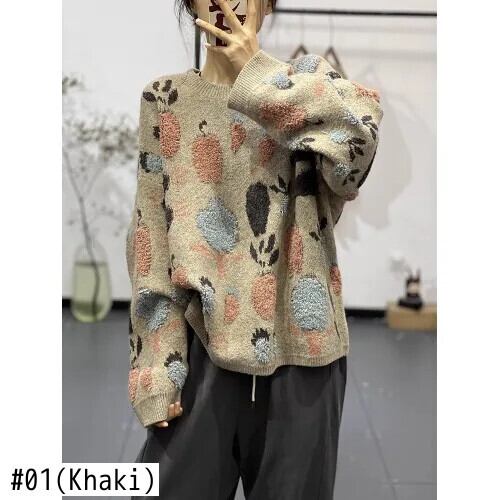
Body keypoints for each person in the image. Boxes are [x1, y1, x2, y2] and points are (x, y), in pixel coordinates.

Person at [126, 0, 383, 498]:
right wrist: (155, 367)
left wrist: (257, 76)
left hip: (304, 353)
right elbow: (149, 240)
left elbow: (357, 153)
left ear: (267, 4)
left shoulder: (309, 85)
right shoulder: (165, 100)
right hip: (202, 347)